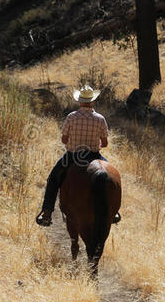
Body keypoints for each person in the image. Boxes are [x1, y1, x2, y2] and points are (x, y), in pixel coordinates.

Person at [36, 85, 121, 226]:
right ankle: (114, 211)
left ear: (80, 101)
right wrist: (97, 144)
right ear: (92, 101)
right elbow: (105, 143)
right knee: (113, 176)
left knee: (53, 179)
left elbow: (64, 139)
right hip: (94, 156)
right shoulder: (100, 119)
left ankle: (47, 212)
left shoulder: (71, 117)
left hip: (72, 156)